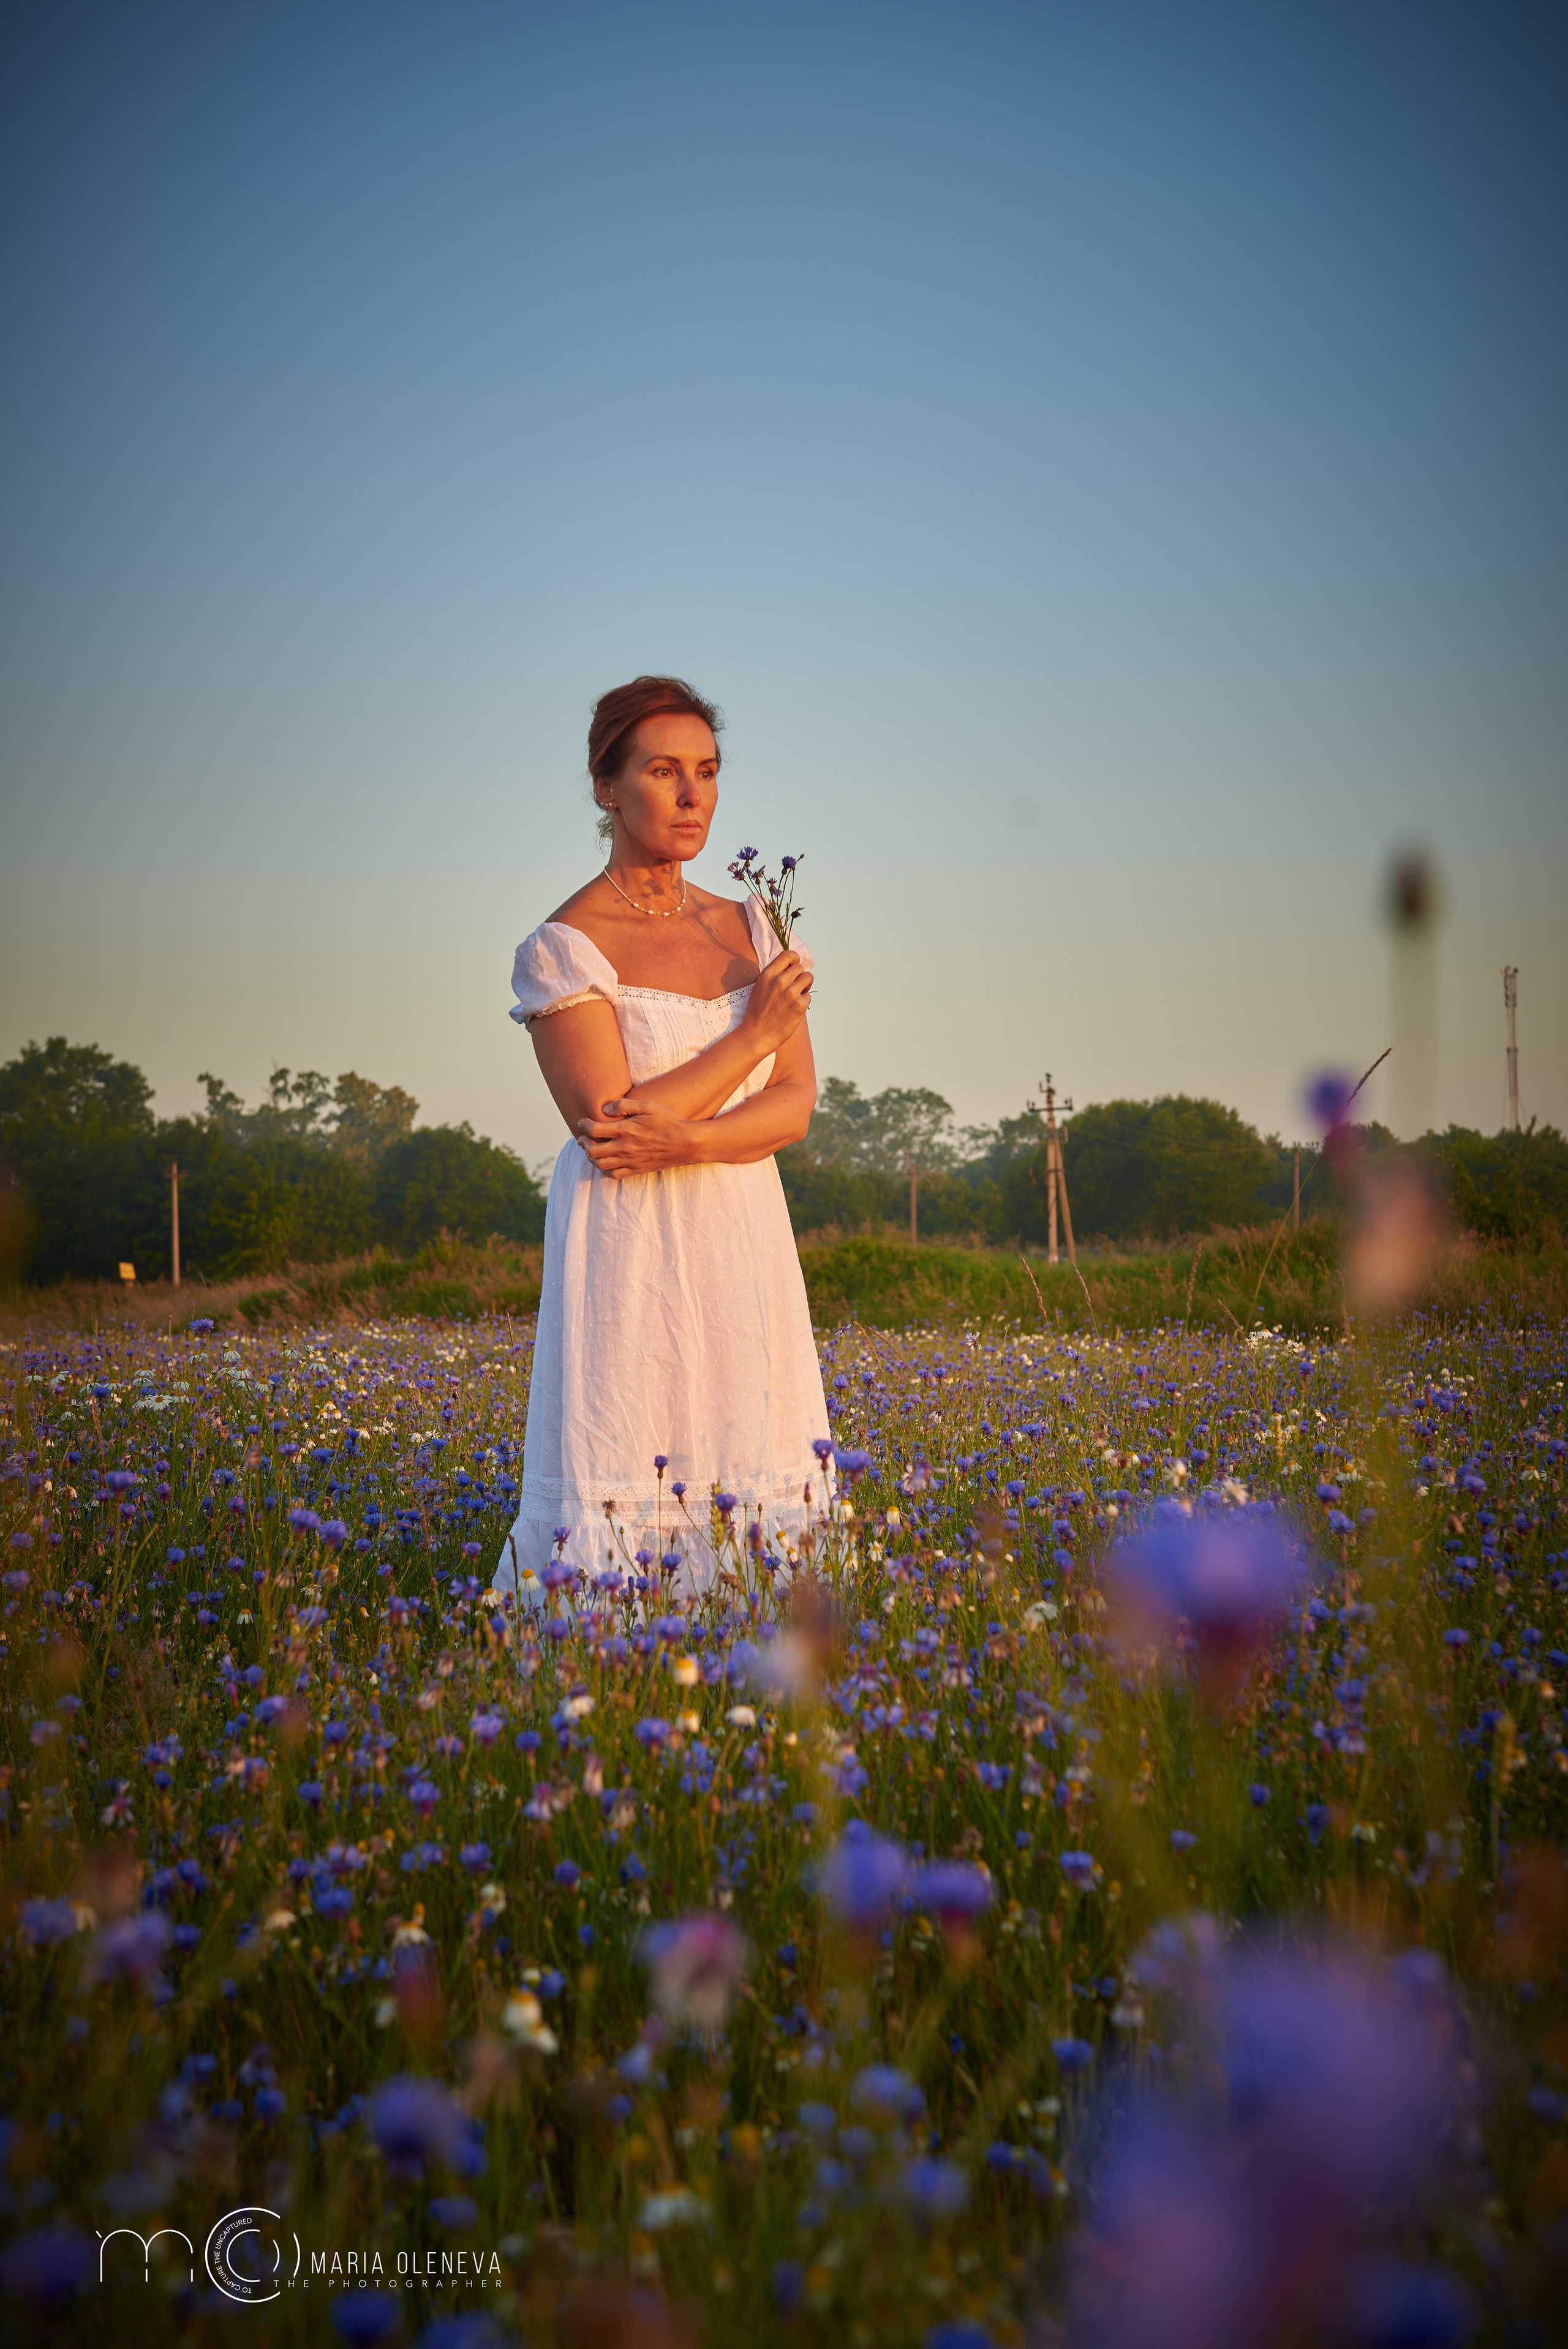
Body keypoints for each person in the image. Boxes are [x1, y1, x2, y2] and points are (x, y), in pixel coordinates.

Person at [500, 675, 832, 1600]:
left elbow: (796, 1107)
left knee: (749, 1450)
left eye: (708, 771)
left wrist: (684, 1140)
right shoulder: (565, 945)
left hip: (741, 1230)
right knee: (631, 1450)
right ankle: (606, 1664)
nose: (692, 795)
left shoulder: (752, 925)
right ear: (606, 788)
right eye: (662, 771)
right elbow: (612, 1127)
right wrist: (754, 1037)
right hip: (629, 1242)